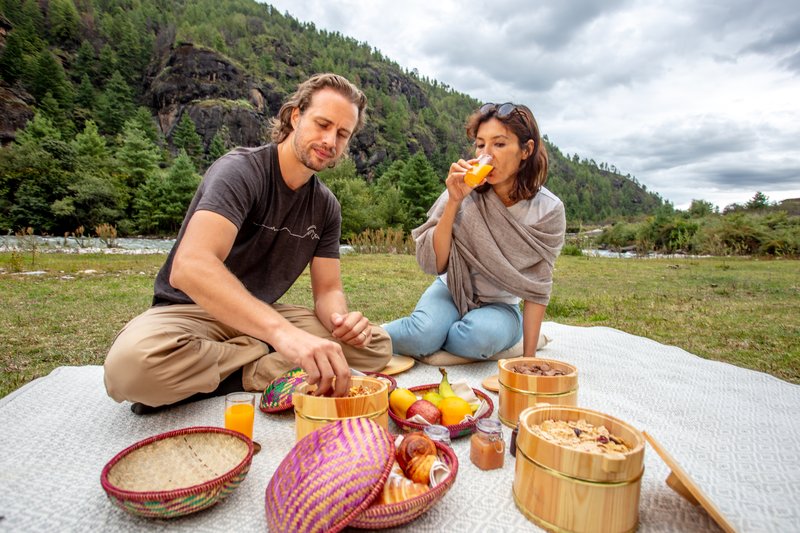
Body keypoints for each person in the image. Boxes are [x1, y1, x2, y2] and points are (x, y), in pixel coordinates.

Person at [104, 73, 392, 413]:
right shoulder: (241, 171)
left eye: (342, 133)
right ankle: (265, 361)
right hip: (195, 311)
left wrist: (342, 322)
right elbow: (190, 267)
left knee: (376, 345)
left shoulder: (326, 206)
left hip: (261, 316)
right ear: (296, 116)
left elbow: (327, 291)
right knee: (130, 368)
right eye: (323, 124)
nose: (330, 140)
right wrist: (283, 336)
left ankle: (240, 370)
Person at [384, 102, 565, 360]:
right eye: (481, 145)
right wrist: (454, 201)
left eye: (499, 144)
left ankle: (444, 341)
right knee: (420, 335)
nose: (486, 155)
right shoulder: (463, 188)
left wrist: (528, 358)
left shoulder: (547, 210)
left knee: (477, 338)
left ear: (526, 150)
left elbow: (538, 286)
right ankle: (375, 336)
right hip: (451, 289)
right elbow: (434, 263)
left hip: (500, 304)